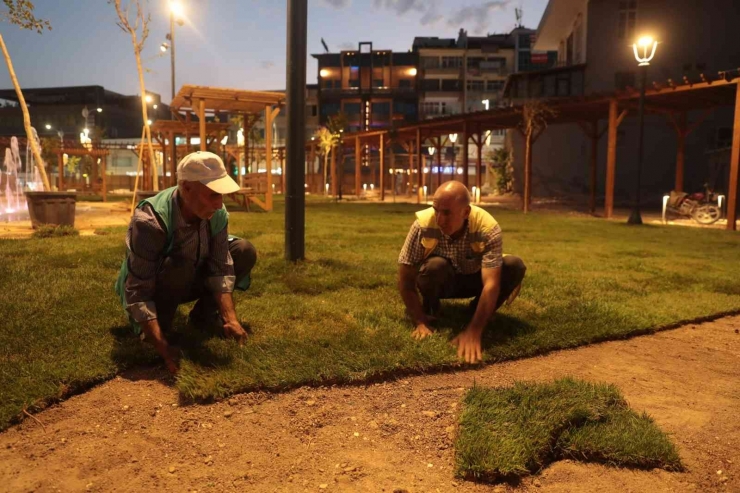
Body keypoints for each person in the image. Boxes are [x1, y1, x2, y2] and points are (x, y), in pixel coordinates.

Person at [114, 151, 256, 374]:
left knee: (243, 250)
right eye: (212, 195)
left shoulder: (217, 213)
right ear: (186, 187)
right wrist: (162, 346)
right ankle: (161, 326)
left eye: (221, 195)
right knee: (180, 264)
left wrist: (230, 319)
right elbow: (138, 291)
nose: (219, 204)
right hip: (160, 282)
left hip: (189, 274)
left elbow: (221, 266)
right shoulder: (150, 221)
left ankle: (203, 319)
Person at [397, 181, 526, 363]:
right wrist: (419, 321)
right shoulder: (423, 225)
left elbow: (491, 284)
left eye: (447, 213)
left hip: (476, 278)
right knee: (434, 267)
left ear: (465, 212)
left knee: (514, 265)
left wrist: (474, 331)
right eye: (436, 210)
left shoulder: (487, 228)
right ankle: (431, 309)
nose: (440, 219)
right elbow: (406, 280)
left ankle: (476, 312)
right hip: (443, 278)